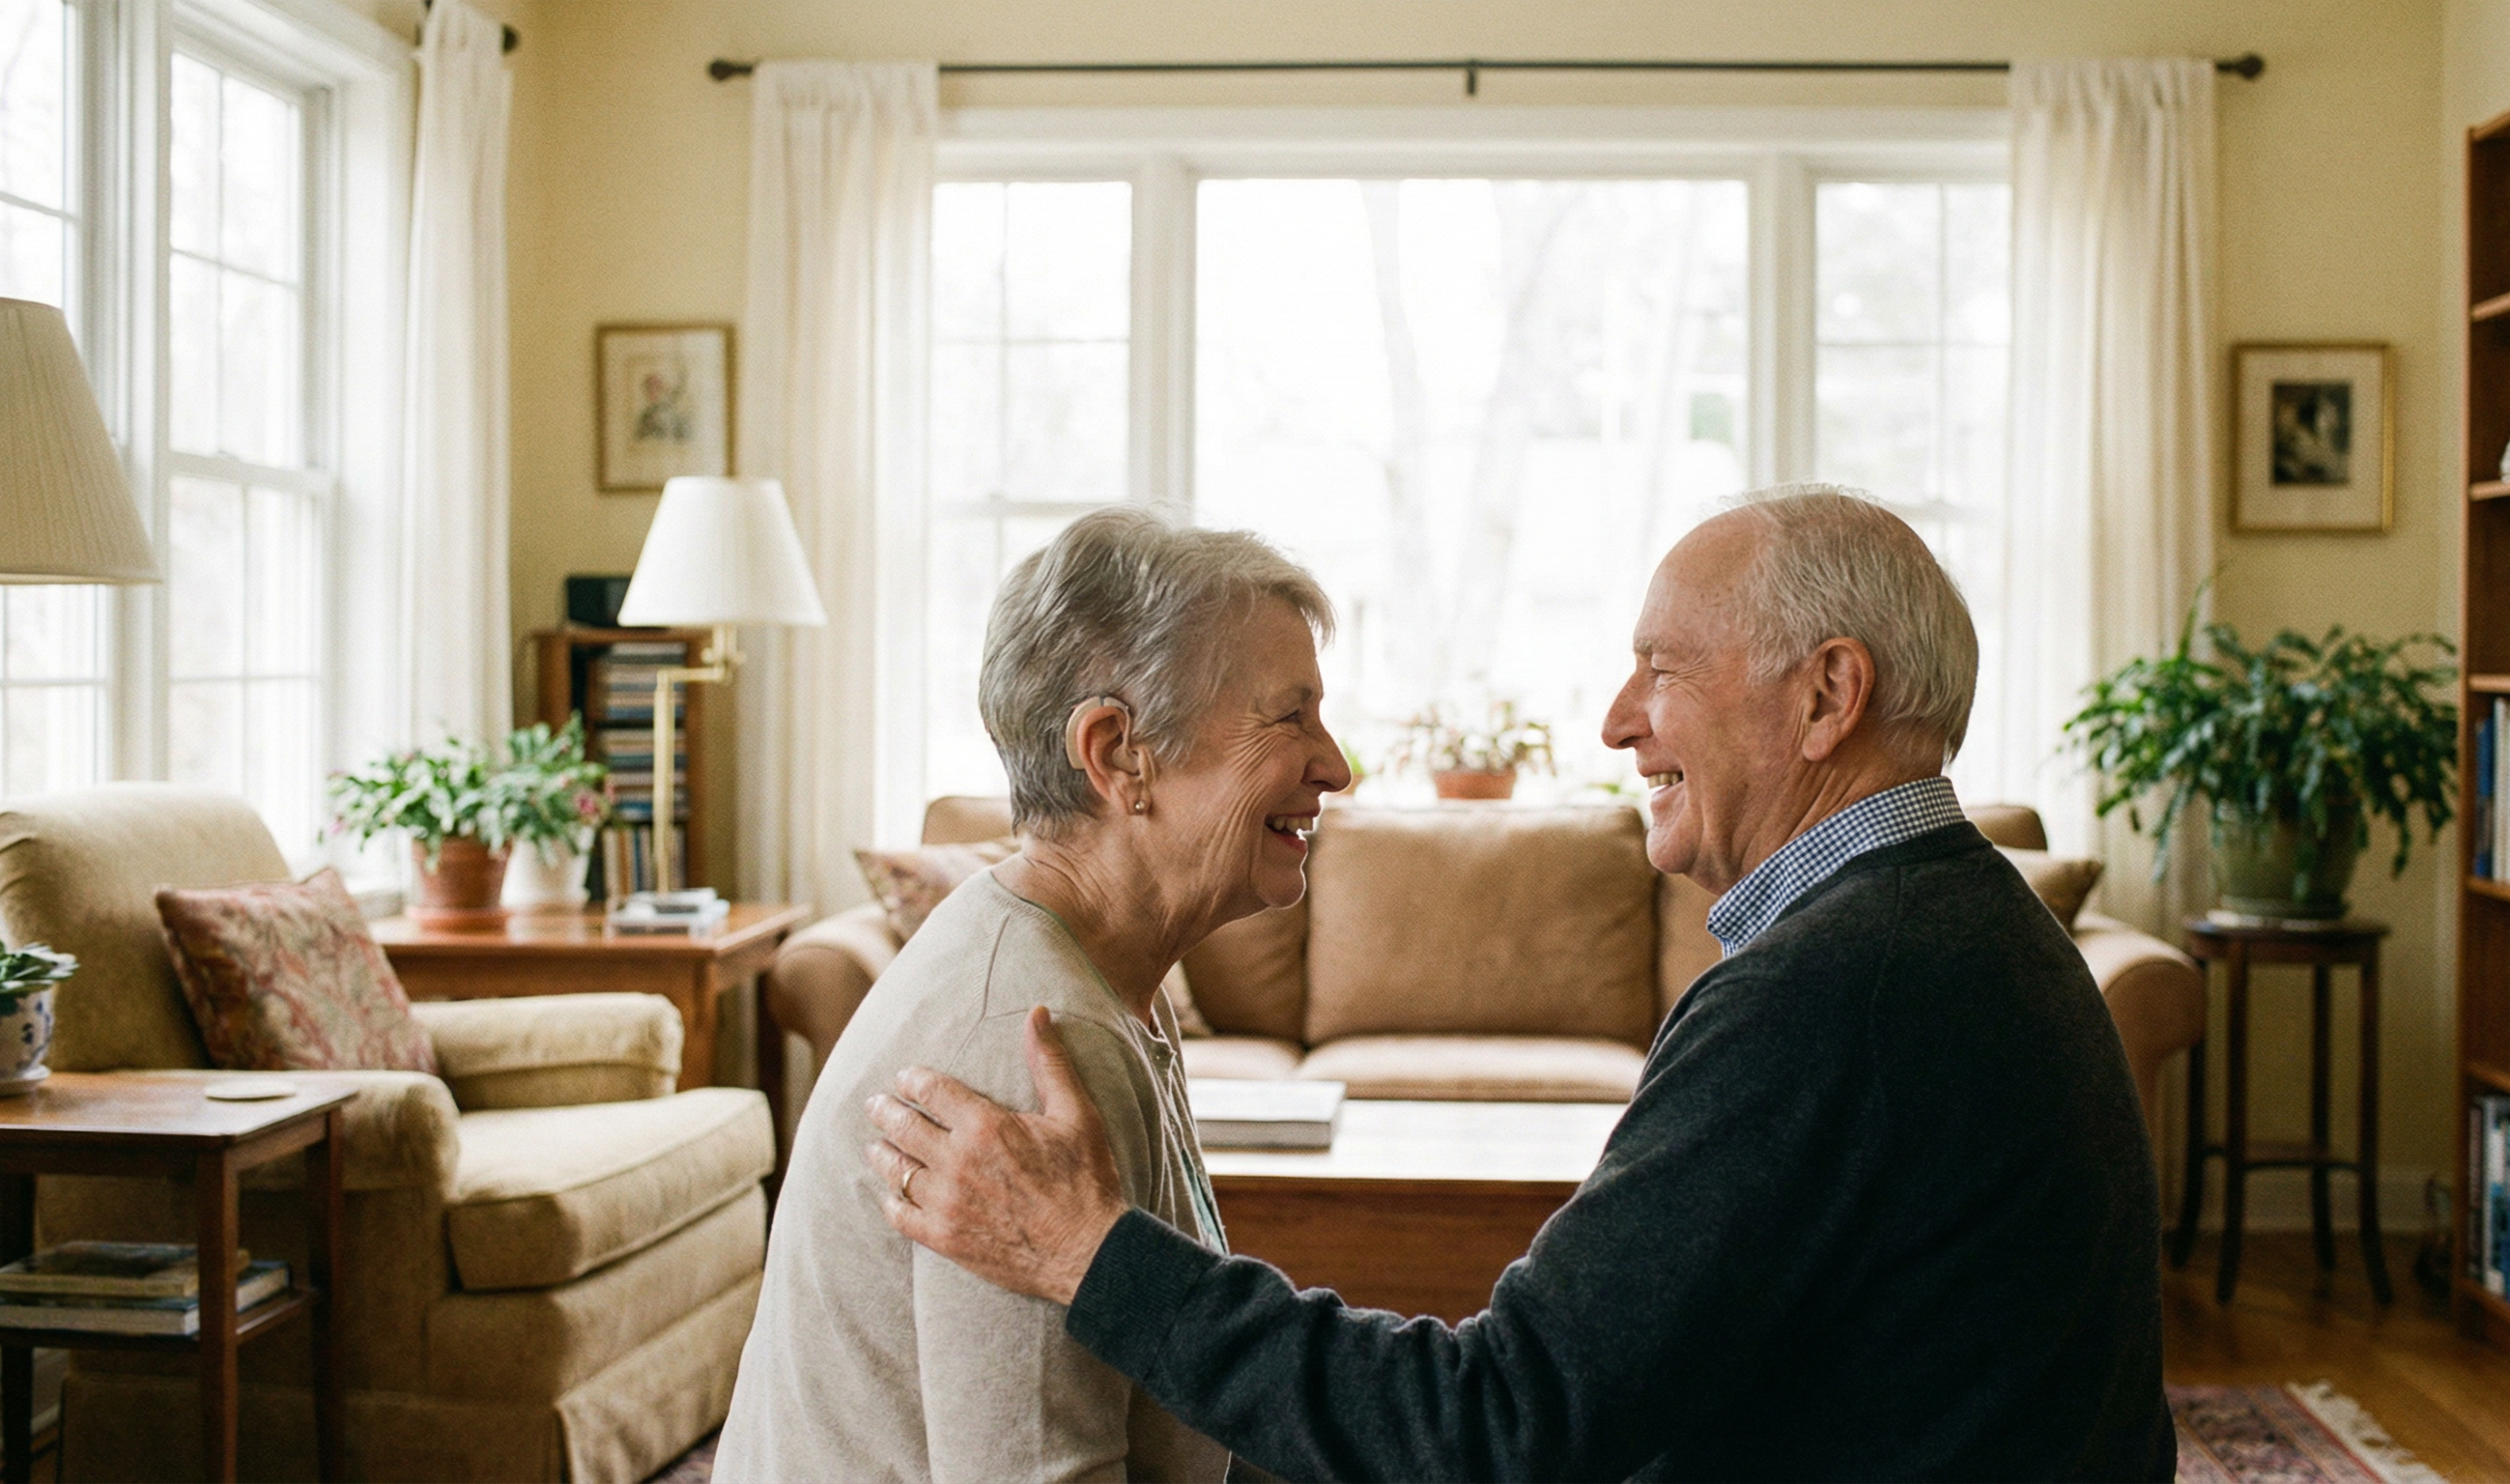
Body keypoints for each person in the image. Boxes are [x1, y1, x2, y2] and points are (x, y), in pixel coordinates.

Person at [864, 487, 2178, 1481]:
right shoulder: (1964, 923)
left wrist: (1093, 1257)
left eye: (1661, 667)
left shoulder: (1839, 991)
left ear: (1829, 693)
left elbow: (1501, 1429)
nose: (1614, 720)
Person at [716, 506, 1351, 1481]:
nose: (1335, 766)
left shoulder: (1087, 971)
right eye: (1288, 715)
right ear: (1115, 753)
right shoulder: (1028, 1044)